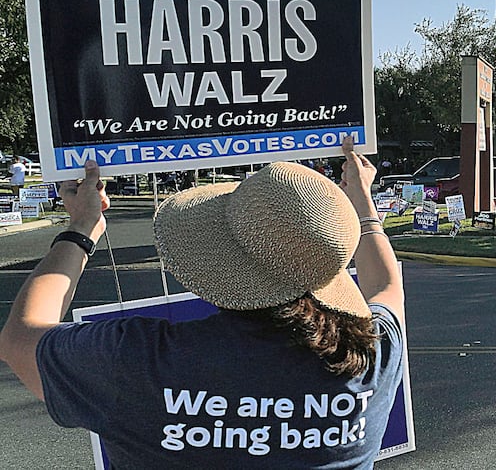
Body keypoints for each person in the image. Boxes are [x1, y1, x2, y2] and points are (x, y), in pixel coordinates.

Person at [0, 138, 405, 469]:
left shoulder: (137, 360)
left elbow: (20, 336)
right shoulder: (374, 354)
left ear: (222, 263)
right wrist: (363, 203)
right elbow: (386, 287)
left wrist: (81, 228)